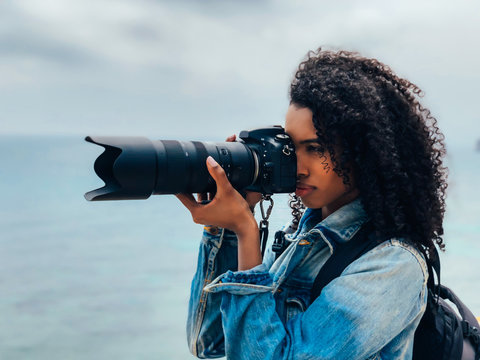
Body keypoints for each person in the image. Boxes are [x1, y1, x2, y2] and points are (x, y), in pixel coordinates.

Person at [176, 48, 448, 360]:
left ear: (365, 153)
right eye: (293, 148)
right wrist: (224, 229)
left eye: (315, 148)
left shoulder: (393, 265)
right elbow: (209, 343)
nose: (299, 167)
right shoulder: (305, 239)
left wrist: (247, 233)